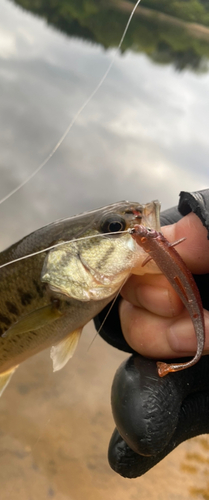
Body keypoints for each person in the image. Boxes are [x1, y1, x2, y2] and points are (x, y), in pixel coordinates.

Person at [94, 189, 209, 478]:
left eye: (140, 235)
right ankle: (183, 360)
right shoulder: (155, 243)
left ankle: (182, 361)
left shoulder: (163, 242)